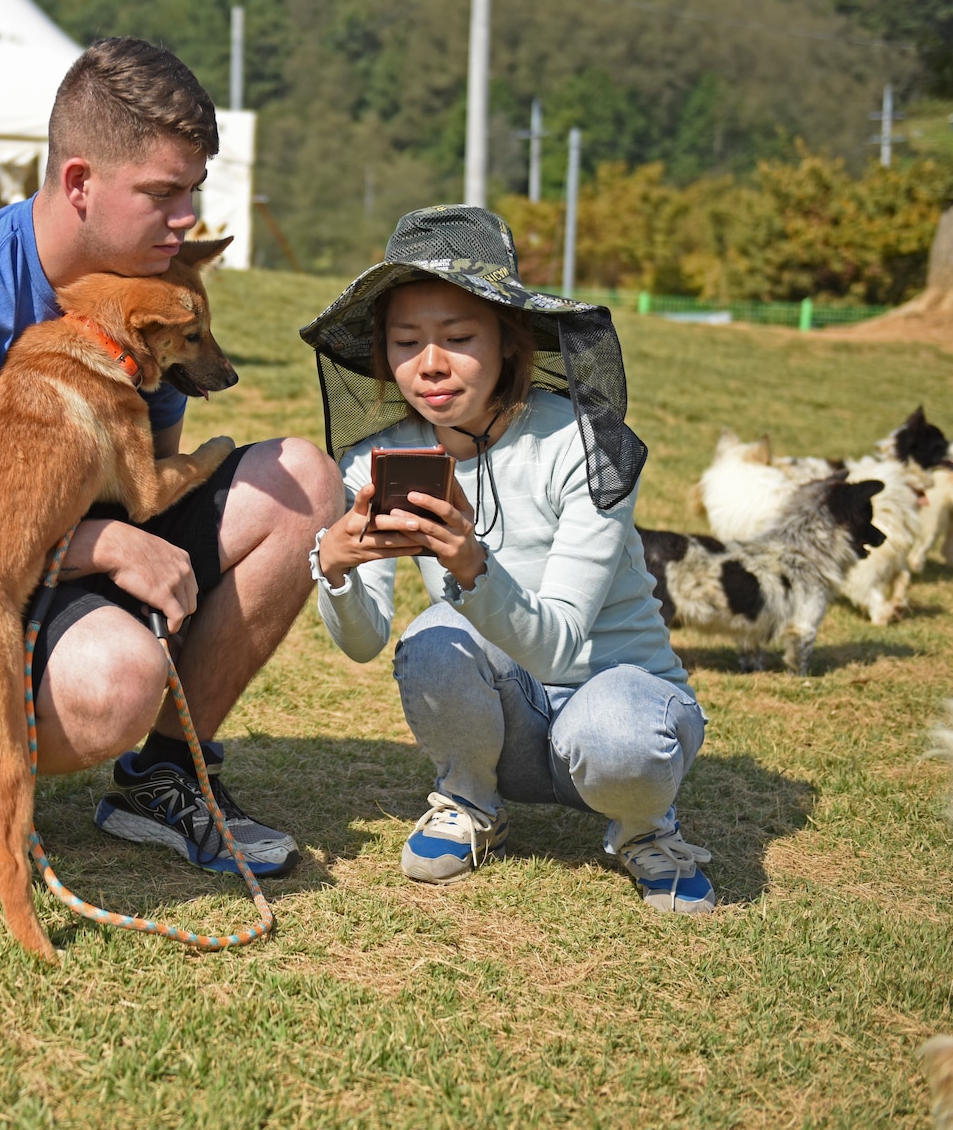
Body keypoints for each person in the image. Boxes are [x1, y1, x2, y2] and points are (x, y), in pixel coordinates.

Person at [0, 36, 343, 876]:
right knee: (115, 684)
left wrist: (134, 534)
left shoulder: (143, 292)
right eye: (162, 194)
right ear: (79, 183)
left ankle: (163, 780)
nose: (185, 221)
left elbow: (142, 490)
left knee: (306, 483)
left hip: (40, 558)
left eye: (192, 193)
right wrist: (109, 546)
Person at [298, 205, 716, 913]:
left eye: (459, 337)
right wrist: (333, 568)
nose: (430, 364)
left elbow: (557, 648)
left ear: (508, 340)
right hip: (514, 722)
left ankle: (647, 828)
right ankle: (472, 795)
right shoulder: (379, 457)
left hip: (619, 700)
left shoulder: (584, 444)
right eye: (406, 341)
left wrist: (470, 566)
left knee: (613, 733)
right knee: (429, 642)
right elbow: (366, 642)